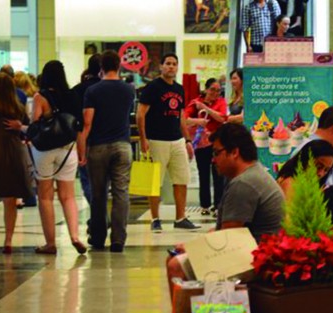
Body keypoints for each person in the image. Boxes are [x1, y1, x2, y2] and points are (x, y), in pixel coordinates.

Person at [145, 123, 285, 313]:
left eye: (217, 152)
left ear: (234, 152)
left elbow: (227, 240)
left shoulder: (244, 184)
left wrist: (194, 249)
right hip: (258, 252)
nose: (213, 160)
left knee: (176, 266)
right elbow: (227, 229)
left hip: (255, 260)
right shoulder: (253, 175)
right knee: (178, 258)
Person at [10, 60, 87, 255]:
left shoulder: (40, 97)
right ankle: (75, 237)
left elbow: (35, 126)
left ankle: (50, 243)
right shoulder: (72, 96)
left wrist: (20, 127)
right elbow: (79, 126)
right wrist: (81, 151)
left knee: (45, 196)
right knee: (68, 196)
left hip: (44, 151)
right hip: (67, 149)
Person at [77, 50, 136, 252]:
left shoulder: (93, 91)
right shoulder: (129, 90)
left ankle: (99, 237)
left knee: (99, 194)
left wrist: (82, 150)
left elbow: (87, 124)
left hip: (98, 147)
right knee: (121, 193)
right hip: (123, 146)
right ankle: (118, 239)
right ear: (119, 66)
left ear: (101, 68)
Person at [136, 53, 201, 232]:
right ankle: (155, 218)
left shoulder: (179, 89)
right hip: (156, 140)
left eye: (174, 64)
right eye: (168, 64)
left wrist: (187, 140)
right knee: (155, 182)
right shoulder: (152, 87)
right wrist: (143, 139)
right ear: (161, 66)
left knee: (181, 179)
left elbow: (181, 116)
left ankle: (180, 218)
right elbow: (141, 114)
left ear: (177, 67)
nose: (171, 67)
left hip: (177, 140)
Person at [0, 73, 31, 255]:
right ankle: (8, 240)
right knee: (10, 200)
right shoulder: (17, 108)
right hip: (12, 152)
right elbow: (26, 129)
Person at [185, 78, 227, 215]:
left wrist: (205, 108)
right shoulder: (195, 102)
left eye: (218, 90)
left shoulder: (221, 102)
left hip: (218, 143)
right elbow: (184, 120)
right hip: (202, 144)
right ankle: (204, 205)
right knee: (203, 173)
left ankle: (218, 205)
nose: (215, 93)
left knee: (218, 174)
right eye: (212, 89)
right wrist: (198, 121)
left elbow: (222, 118)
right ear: (206, 89)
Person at [72, 53, 104, 208]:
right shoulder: (109, 88)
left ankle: (97, 213)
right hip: (106, 138)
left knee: (87, 179)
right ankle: (101, 213)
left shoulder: (77, 90)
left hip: (84, 139)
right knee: (103, 181)